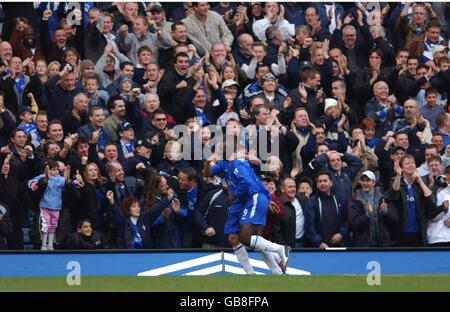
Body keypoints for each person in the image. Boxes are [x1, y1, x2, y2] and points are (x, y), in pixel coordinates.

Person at [205, 139, 289, 275]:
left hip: (248, 198)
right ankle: (253, 273)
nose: (218, 153)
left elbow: (248, 182)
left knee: (248, 237)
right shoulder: (225, 164)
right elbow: (208, 173)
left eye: (220, 150)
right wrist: (209, 161)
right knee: (234, 238)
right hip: (240, 202)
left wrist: (236, 194)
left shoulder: (238, 163)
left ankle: (279, 253)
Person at [391, 154, 443, 246]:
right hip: (400, 233)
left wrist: (420, 181)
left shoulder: (421, 182)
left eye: (412, 163)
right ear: (402, 168)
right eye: (407, 163)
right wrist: (398, 175)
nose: (411, 165)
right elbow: (394, 194)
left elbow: (430, 201)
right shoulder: (397, 182)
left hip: (418, 233)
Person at [28, 160, 70, 250]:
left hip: (57, 206)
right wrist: (33, 184)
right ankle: (43, 244)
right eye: (54, 169)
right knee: (45, 225)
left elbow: (66, 182)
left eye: (57, 170)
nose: (56, 171)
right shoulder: (43, 177)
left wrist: (68, 176)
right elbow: (32, 181)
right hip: (45, 205)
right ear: (48, 170)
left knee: (53, 226)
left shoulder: (60, 178)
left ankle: (50, 245)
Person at [348, 171, 398, 247]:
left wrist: (386, 212)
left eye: (368, 180)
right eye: (363, 180)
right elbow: (354, 224)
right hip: (363, 245)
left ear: (374, 182)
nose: (365, 183)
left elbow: (395, 218)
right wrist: (367, 215)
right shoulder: (354, 200)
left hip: (383, 243)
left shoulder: (384, 197)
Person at [304, 170, 350, 248]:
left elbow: (347, 219)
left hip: (340, 244)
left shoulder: (341, 198)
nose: (322, 183)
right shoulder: (311, 202)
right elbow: (309, 226)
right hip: (320, 247)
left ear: (331, 183)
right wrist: (319, 242)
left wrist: (341, 234)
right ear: (317, 184)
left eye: (325, 181)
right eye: (320, 181)